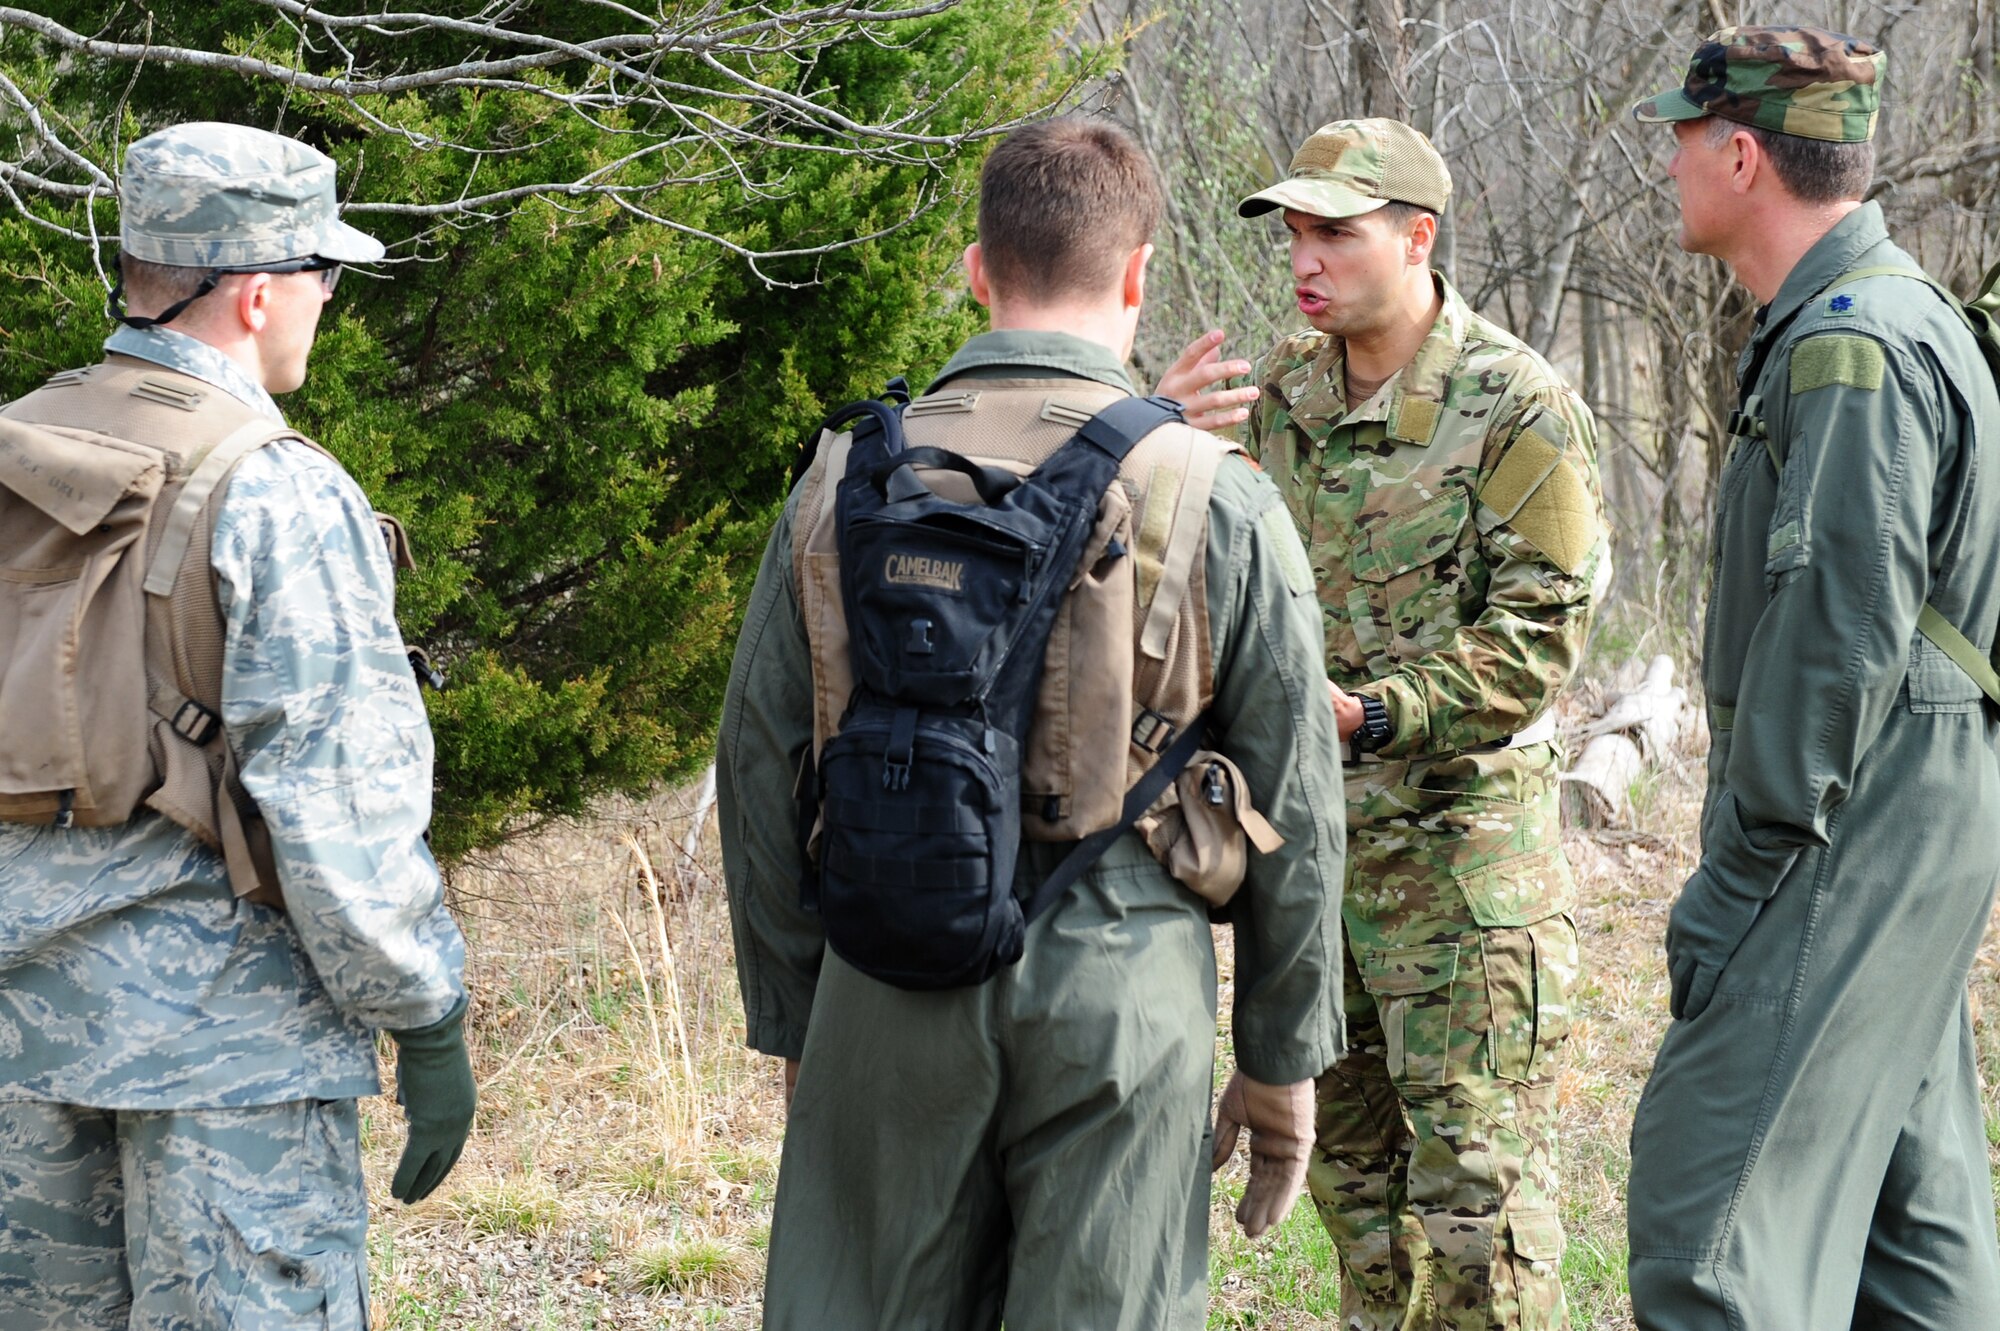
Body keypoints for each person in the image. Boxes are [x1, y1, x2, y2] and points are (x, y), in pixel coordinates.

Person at [716, 116, 1347, 1330]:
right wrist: (1280, 1057)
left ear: (974, 269)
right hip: (1121, 987)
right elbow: (1298, 802)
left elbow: (758, 756)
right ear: (1136, 276)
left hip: (885, 969)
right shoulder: (1215, 491)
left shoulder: (843, 473)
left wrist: (802, 1015)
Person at [0, 123, 472, 1330]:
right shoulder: (275, 487)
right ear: (260, 292)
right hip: (227, 1053)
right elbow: (337, 803)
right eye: (326, 274)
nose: (328, 300)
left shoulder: (23, 449)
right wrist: (424, 1012)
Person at [1161, 117, 1606, 1329]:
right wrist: (1149, 444)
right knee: (1353, 1195)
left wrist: (1374, 713)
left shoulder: (1513, 400)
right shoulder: (1283, 394)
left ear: (1415, 239)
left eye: (1332, 234)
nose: (1303, 260)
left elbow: (1541, 630)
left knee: (1476, 1206)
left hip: (1460, 878)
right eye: (1293, 234)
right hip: (1311, 864)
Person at [1624, 27, 2000, 1328]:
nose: (1666, 158)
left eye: (1683, 134)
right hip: (1910, 814)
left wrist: (1731, 892)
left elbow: (1832, 649)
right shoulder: (1885, 315)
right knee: (1914, 1230)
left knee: (1707, 1235)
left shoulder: (1855, 344)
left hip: (1844, 824)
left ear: (1742, 154)